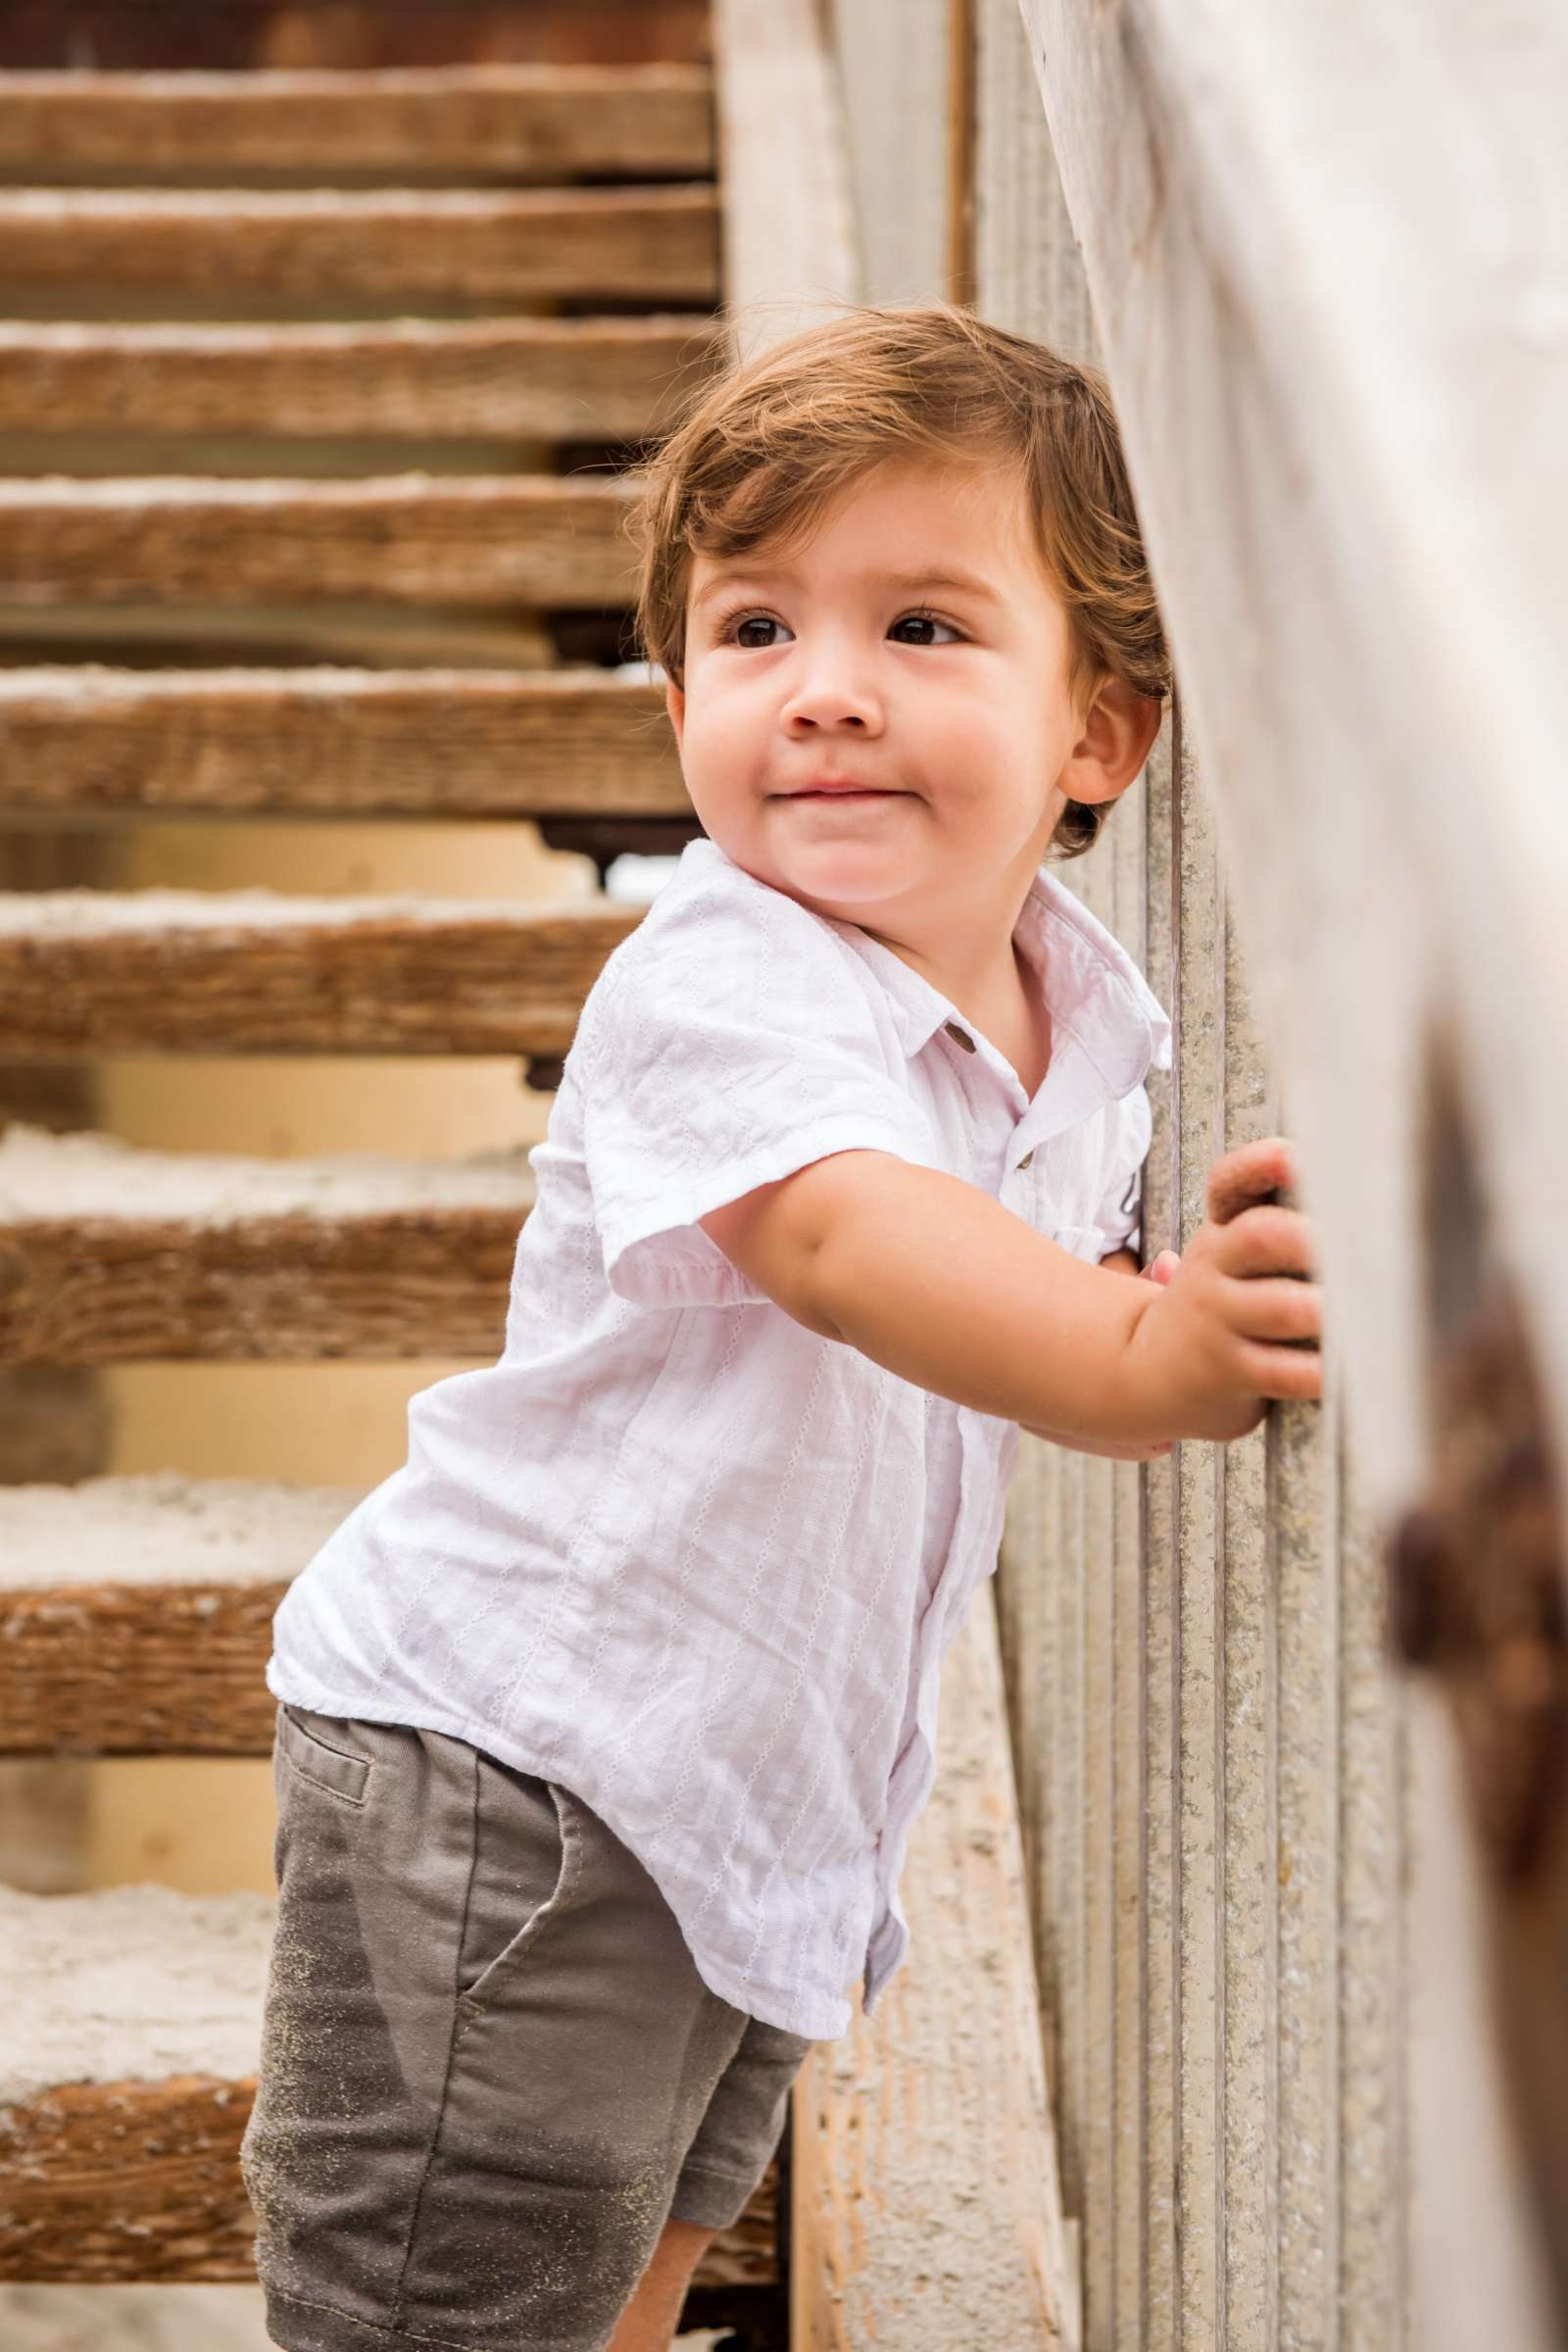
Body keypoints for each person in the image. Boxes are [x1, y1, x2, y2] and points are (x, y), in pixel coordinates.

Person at [240, 304, 1323, 2352]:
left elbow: (1009, 1246)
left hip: (749, 1801)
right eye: (752, 633)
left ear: (1098, 731)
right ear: (674, 701)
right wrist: (1138, 1367)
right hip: (515, 1772)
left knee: (638, 2262)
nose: (820, 694)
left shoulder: (1063, 1013)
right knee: (455, 2314)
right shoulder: (719, 976)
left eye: (919, 628)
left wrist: (1132, 1289)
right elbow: (839, 1236)